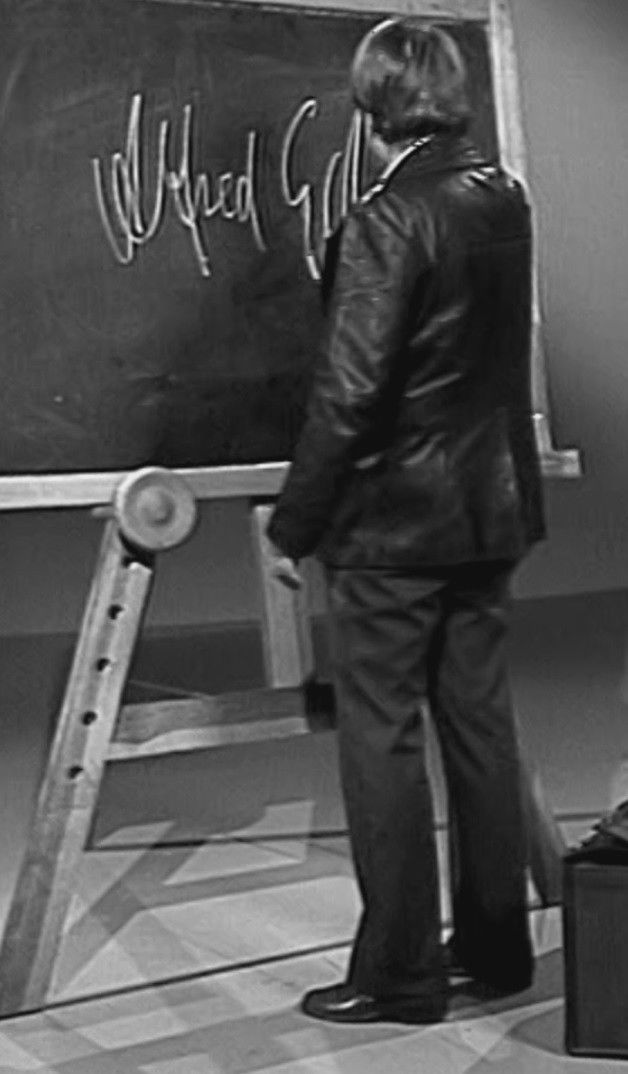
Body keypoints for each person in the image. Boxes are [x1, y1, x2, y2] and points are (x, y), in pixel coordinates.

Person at [266, 17, 545, 1025]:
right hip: (487, 513)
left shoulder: (388, 220)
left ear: (369, 106)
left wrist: (293, 528)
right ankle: (497, 954)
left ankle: (399, 977)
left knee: (379, 741)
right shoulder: (499, 195)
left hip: (394, 530)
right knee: (479, 728)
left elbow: (350, 395)